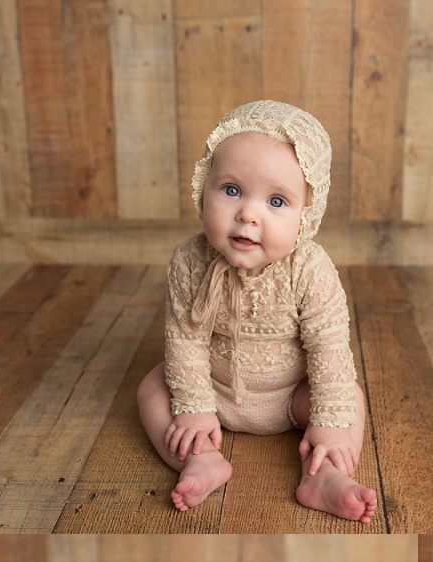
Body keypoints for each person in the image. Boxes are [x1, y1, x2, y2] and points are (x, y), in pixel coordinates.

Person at [137, 100, 377, 524]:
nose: (248, 213)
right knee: (152, 391)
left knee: (349, 401)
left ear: (307, 216)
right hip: (212, 388)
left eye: (277, 201)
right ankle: (202, 458)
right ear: (203, 187)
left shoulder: (309, 269)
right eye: (231, 190)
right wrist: (194, 405)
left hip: (289, 395)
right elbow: (185, 337)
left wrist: (331, 422)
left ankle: (325, 476)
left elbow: (329, 348)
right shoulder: (189, 262)